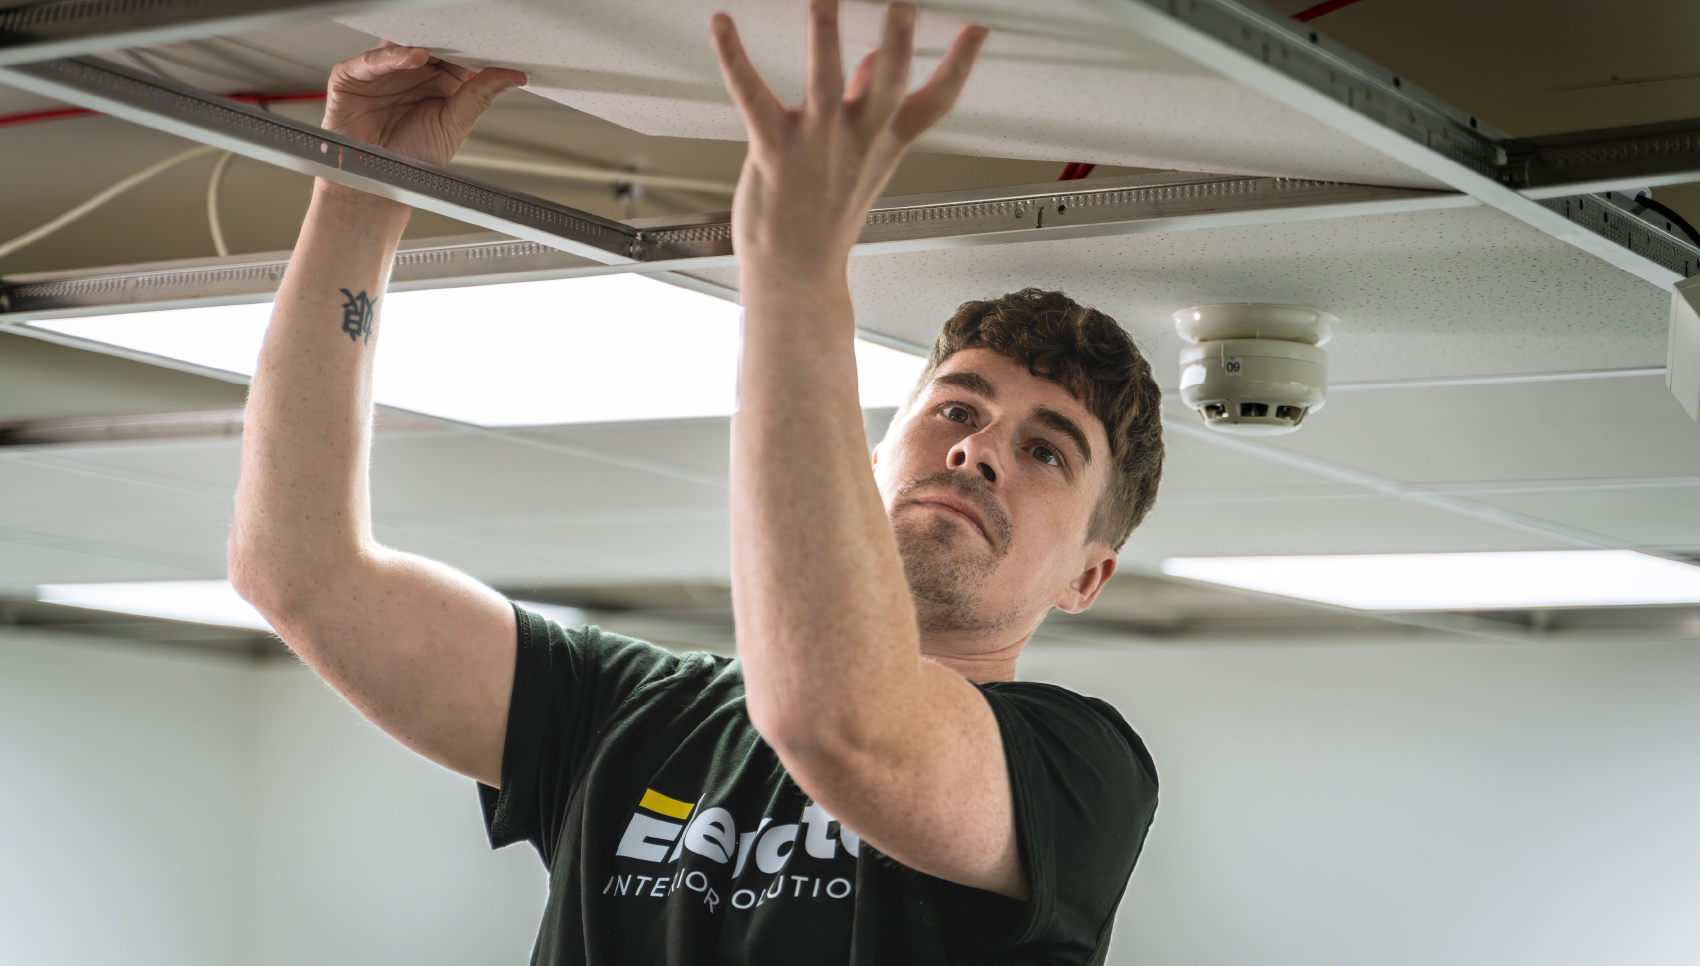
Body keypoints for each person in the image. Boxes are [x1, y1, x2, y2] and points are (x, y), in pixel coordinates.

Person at [229, 1, 1164, 962]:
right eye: (956, 411)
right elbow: (300, 569)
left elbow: (836, 719)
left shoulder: (1073, 773)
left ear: (1087, 576)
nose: (977, 452)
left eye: (1049, 450)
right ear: (879, 456)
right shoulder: (627, 712)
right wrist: (362, 187)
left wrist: (797, 266)